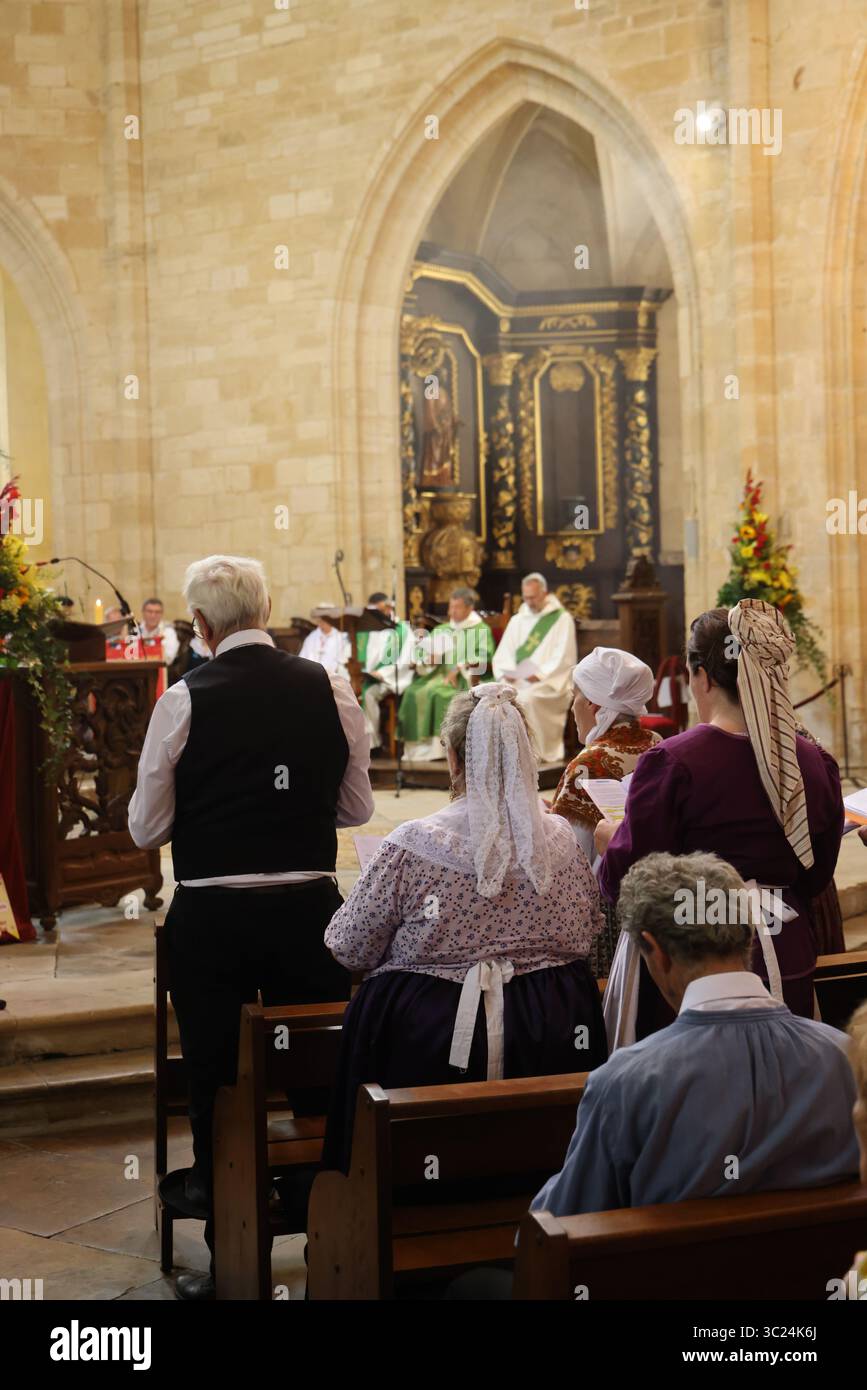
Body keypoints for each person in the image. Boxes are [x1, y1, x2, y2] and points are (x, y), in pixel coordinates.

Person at [128, 555, 374, 1300]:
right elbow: (357, 808)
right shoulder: (326, 684)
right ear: (266, 611)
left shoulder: (182, 698)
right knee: (312, 1062)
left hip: (213, 914)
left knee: (214, 1069)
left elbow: (146, 826)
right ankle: (313, 1205)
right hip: (308, 909)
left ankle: (222, 1217)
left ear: (199, 626)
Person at [321, 682, 607, 1174]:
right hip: (550, 1031)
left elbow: (349, 948)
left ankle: (399, 1197)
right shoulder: (560, 842)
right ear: (524, 755)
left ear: (454, 757)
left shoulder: (413, 844)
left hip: (431, 1033)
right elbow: (587, 932)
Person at [531, 851, 860, 1218]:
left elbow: (561, 1221)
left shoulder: (626, 1082)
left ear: (655, 952)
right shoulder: (844, 1056)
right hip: (825, 1272)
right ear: (749, 935)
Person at [596, 601, 844, 1047]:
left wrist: (610, 842)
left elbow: (628, 883)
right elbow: (817, 876)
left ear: (702, 677)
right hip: (787, 949)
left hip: (696, 955)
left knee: (696, 1091)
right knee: (787, 1090)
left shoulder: (673, 762)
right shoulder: (812, 761)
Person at [549, 647, 661, 975]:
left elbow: (571, 859)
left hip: (607, 921)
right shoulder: (658, 743)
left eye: (575, 698)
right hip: (659, 906)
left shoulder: (588, 764)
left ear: (593, 704)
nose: (572, 708)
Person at [397, 587, 494, 760]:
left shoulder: (481, 629)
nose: (450, 611)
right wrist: (428, 659)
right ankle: (416, 751)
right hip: (436, 676)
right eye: (450, 606)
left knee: (439, 694)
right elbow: (423, 654)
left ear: (469, 608)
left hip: (463, 679)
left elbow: (484, 656)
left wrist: (458, 668)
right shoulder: (441, 629)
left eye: (456, 607)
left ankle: (440, 750)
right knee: (412, 692)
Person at [491, 573, 577, 763]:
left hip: (548, 683)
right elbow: (504, 653)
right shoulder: (517, 620)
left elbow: (564, 656)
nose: (529, 602)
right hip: (517, 681)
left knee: (527, 699)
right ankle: (505, 756)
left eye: (533, 597)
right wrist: (508, 672)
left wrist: (539, 674)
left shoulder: (562, 619)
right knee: (495, 699)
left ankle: (533, 754)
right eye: (526, 597)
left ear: (544, 593)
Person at [356, 594, 414, 752]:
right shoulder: (368, 630)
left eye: (382, 610)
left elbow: (406, 659)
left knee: (368, 694)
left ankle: (371, 744)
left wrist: (381, 673)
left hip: (390, 678)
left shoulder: (402, 630)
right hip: (365, 676)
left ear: (389, 608)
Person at [299, 603, 351, 681]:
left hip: (334, 680)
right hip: (311, 678)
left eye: (324, 620)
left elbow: (344, 661)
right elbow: (302, 659)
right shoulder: (312, 637)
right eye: (320, 620)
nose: (321, 623)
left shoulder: (342, 636)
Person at [140, 595, 179, 666]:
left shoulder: (168, 632)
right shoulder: (135, 631)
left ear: (162, 614)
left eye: (157, 612)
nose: (153, 615)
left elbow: (168, 659)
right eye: (149, 611)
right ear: (143, 612)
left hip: (159, 671)